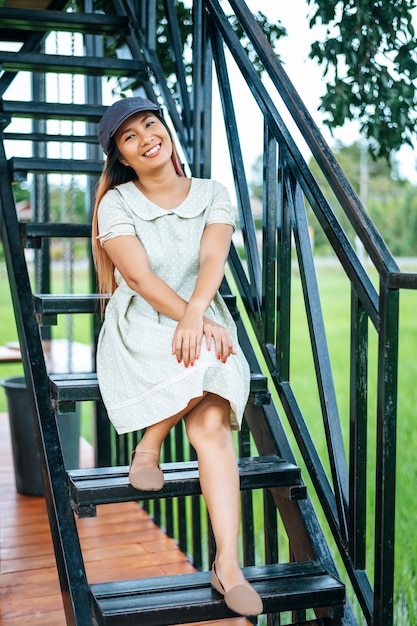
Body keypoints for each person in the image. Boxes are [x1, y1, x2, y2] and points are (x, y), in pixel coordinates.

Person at [91, 96, 263, 617]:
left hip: (203, 316)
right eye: (130, 137)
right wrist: (191, 319)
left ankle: (226, 564)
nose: (146, 138)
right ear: (121, 157)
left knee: (210, 427)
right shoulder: (116, 204)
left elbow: (213, 255)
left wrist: (197, 317)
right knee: (200, 355)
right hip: (144, 321)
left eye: (150, 125)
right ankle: (150, 446)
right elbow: (139, 280)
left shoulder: (214, 192)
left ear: (164, 129)